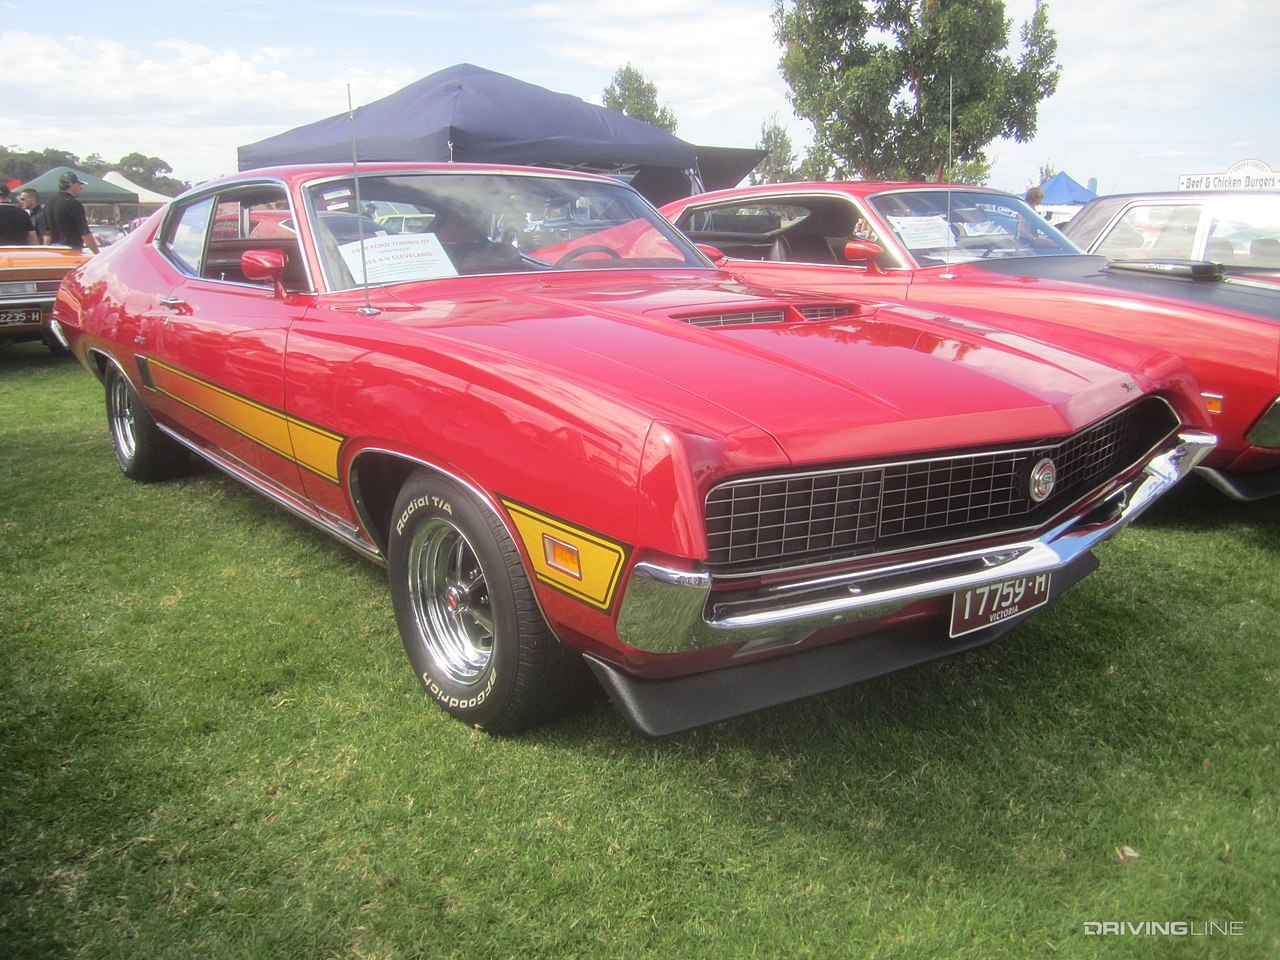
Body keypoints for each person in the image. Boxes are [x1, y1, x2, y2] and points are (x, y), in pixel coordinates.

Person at [42, 171, 100, 252]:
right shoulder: (73, 203)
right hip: (71, 249)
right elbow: (84, 232)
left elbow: (47, 234)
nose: (81, 188)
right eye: (79, 184)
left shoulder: (49, 203)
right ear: (70, 184)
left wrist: (46, 251)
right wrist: (96, 253)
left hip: (54, 250)